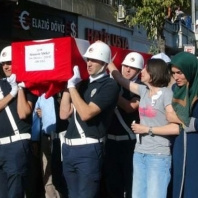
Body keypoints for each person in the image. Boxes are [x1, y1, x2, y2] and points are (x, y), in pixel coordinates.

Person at [108, 58, 179, 198]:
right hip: (139, 153)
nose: (143, 71)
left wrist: (147, 129)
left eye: (146, 68)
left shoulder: (166, 94)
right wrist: (106, 55)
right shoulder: (143, 90)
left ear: (154, 72)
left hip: (158, 156)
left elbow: (176, 128)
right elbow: (120, 78)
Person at [60, 41, 119, 198]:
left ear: (104, 62)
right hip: (68, 148)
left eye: (94, 60)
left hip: (88, 149)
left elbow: (86, 113)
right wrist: (68, 86)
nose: (89, 63)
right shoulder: (82, 83)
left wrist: (72, 87)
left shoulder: (109, 85)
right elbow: (64, 114)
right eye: (88, 59)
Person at [0, 46, 38, 198]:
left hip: (17, 144)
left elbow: (23, 113)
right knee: (1, 193)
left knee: (15, 192)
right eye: (3, 63)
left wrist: (20, 88)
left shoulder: (29, 85)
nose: (6, 66)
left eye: (10, 62)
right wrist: (11, 93)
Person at [104, 52, 144, 198]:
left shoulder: (140, 86)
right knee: (113, 185)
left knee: (130, 184)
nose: (127, 70)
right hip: (110, 141)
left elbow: (130, 107)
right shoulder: (111, 83)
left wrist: (112, 93)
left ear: (139, 71)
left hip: (129, 143)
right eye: (125, 66)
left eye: (132, 68)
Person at [167, 52, 198, 198]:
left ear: (190, 69)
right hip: (181, 146)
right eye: (173, 73)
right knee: (179, 186)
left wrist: (181, 120)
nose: (176, 77)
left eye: (180, 72)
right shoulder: (177, 90)